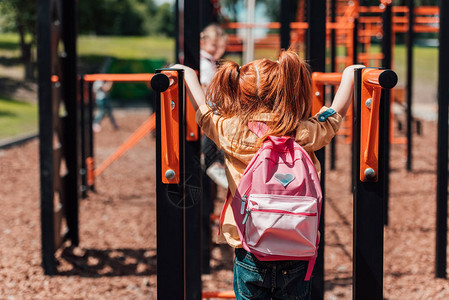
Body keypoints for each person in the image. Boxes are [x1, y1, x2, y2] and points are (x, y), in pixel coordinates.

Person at [174, 50, 363, 299]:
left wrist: (187, 75)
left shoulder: (231, 131)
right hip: (297, 243)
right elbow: (333, 118)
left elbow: (204, 111)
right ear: (286, 90)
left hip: (249, 245)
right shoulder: (301, 131)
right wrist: (350, 75)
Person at [200, 24, 228, 189]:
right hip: (208, 105)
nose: (217, 50)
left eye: (220, 47)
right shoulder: (204, 63)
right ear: (203, 43)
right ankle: (211, 160)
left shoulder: (209, 61)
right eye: (214, 46)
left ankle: (215, 160)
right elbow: (205, 86)